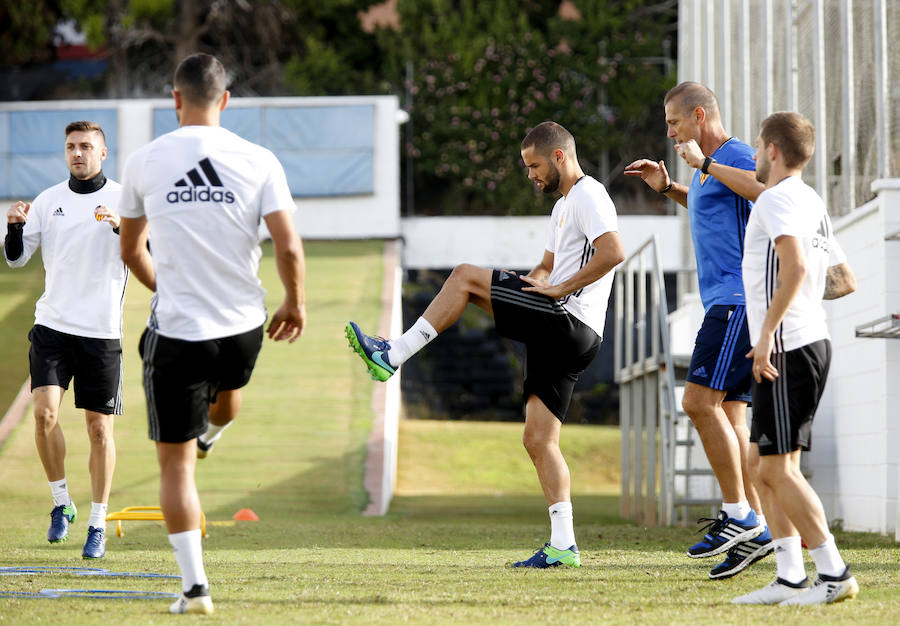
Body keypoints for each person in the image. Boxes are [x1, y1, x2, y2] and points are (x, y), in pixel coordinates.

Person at [346, 121, 625, 568]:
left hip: (570, 321)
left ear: (558, 157)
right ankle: (563, 546)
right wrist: (529, 284)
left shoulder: (589, 194)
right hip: (568, 331)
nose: (531, 175)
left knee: (464, 276)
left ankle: (391, 355)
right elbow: (544, 268)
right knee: (538, 440)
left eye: (534, 166)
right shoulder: (562, 208)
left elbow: (613, 251)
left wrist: (557, 289)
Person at [119, 53, 306, 615]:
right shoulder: (259, 159)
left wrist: (165, 289)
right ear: (225, 100)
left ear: (175, 99)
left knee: (175, 468)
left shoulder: (145, 161)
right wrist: (295, 302)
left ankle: (195, 589)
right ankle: (209, 432)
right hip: (245, 332)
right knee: (226, 397)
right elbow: (289, 246)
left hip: (181, 333)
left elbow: (130, 249)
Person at [624, 81, 773, 579]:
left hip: (736, 303)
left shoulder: (737, 155)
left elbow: (764, 192)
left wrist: (704, 165)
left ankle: (739, 518)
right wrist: (670, 188)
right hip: (726, 303)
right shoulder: (708, 170)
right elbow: (714, 205)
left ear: (700, 117)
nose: (669, 132)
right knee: (730, 417)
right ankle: (759, 530)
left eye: (673, 122)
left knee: (695, 403)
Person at [732, 111, 858, 605]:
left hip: (787, 349)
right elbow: (843, 279)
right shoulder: (810, 201)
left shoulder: (777, 199)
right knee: (764, 468)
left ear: (773, 150)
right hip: (799, 343)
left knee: (780, 470)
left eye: (759, 146)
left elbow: (798, 266)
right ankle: (789, 576)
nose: (756, 155)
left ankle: (833, 573)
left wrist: (767, 334)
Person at [3, 121, 126, 560]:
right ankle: (61, 504)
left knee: (98, 429)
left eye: (87, 147)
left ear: (103, 153)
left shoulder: (123, 200)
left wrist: (121, 231)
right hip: (53, 326)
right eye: (71, 146)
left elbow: (148, 252)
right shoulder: (49, 200)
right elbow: (17, 260)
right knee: (44, 415)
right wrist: (14, 226)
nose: (78, 153)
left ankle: (97, 523)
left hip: (101, 332)